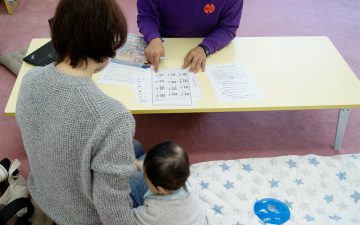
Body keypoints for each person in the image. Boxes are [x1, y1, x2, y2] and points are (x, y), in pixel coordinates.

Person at [15, 0, 145, 224]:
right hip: (82, 216)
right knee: (159, 167)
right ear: (108, 46)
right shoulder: (113, 117)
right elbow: (113, 211)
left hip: (44, 194)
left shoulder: (30, 79)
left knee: (136, 147)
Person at [137, 0, 243, 73]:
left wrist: (206, 48)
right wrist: (153, 38)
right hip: (164, 45)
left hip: (208, 45)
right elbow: (147, 16)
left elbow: (227, 27)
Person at [133, 141, 208, 225]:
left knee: (138, 149)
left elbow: (126, 218)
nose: (144, 177)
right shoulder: (188, 183)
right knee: (140, 151)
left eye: (145, 177)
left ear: (161, 189)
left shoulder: (154, 212)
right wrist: (140, 165)